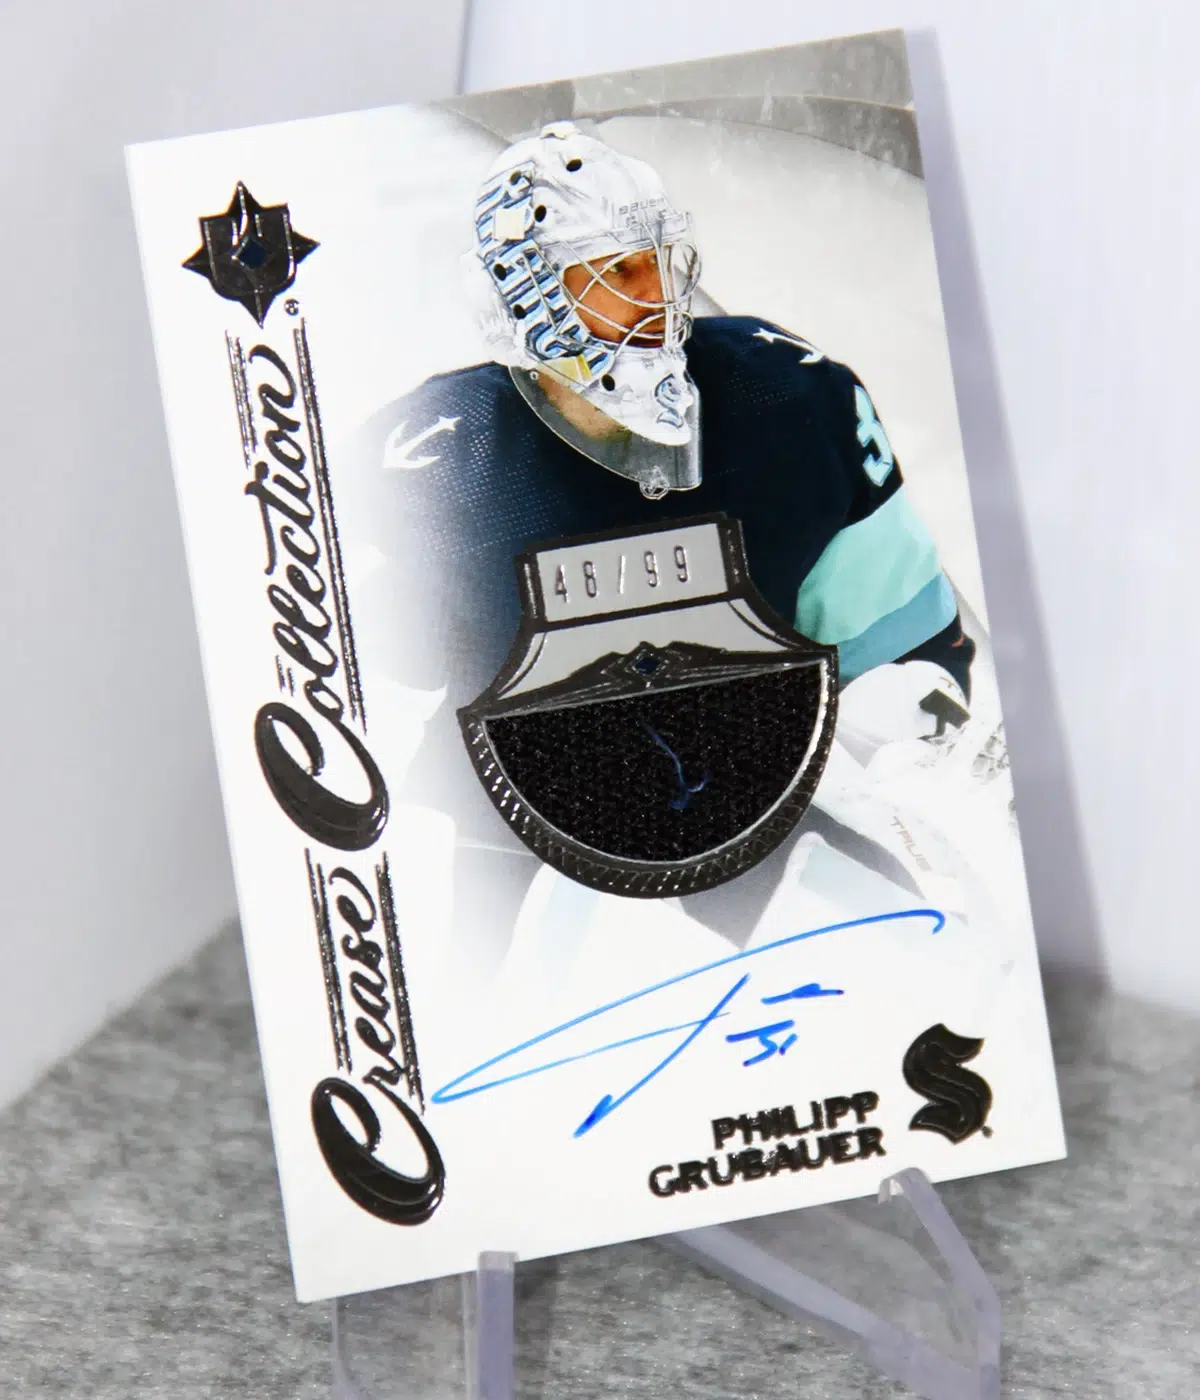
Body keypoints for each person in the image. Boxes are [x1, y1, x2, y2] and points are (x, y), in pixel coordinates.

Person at [342, 121, 974, 735]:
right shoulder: (425, 459)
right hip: (516, 805)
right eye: (617, 270)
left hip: (767, 789)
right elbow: (363, 704)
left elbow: (899, 646)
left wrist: (903, 704)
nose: (659, 296)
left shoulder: (789, 396)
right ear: (526, 293)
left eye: (658, 259)